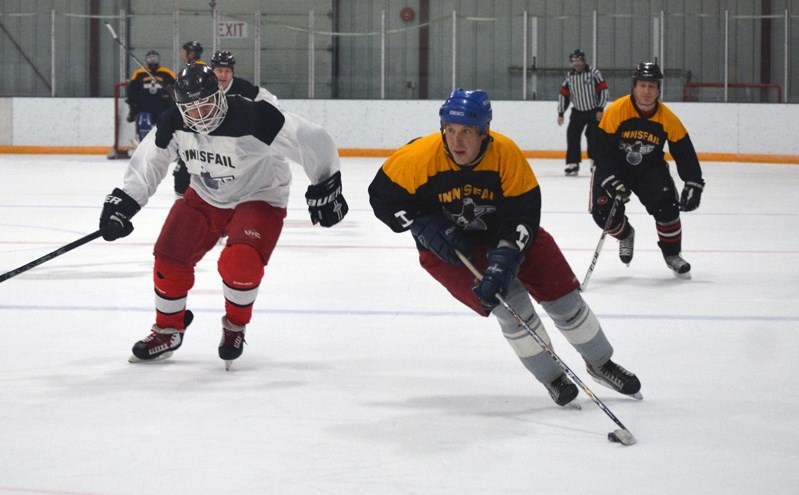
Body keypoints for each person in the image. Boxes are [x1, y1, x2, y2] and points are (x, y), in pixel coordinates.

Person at [368, 88, 641, 407]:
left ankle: (601, 363)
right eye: (450, 130)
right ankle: (552, 377)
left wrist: (506, 258)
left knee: (565, 300)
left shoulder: (506, 154)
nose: (456, 141)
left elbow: (524, 214)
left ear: (484, 132)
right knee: (513, 310)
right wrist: (422, 223)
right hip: (451, 250)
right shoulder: (419, 157)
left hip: (506, 234)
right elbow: (382, 197)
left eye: (467, 132)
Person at [98, 63, 349, 369]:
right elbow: (151, 160)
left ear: (220, 95)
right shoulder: (174, 120)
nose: (199, 116)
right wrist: (124, 202)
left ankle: (235, 326)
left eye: (205, 106)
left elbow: (310, 138)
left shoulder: (255, 115)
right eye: (191, 109)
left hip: (260, 195)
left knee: (239, 262)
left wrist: (326, 184)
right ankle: (168, 330)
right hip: (205, 195)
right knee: (168, 259)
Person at [591, 62, 704, 279]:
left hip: (649, 169)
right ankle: (625, 234)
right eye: (642, 85)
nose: (646, 91)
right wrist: (610, 178)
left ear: (658, 89)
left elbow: (684, 151)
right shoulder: (616, 110)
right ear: (634, 87)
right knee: (602, 213)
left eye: (651, 86)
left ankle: (672, 254)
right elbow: (602, 151)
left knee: (667, 207)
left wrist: (693, 181)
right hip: (615, 168)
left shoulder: (667, 118)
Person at [557, 49, 608, 176]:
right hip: (578, 111)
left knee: (593, 137)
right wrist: (561, 112)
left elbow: (604, 90)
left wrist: (600, 109)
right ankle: (573, 163)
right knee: (572, 135)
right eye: (574, 61)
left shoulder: (594, 73)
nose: (576, 63)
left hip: (593, 111)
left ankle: (595, 161)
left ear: (584, 61)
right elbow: (564, 94)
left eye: (579, 60)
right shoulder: (570, 76)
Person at [173, 41, 206, 196]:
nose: (182, 54)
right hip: (200, 124)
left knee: (185, 168)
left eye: (183, 51)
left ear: (188, 53)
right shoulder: (206, 69)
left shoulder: (192, 71)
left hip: (196, 125)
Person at [125, 50, 176, 143]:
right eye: (150, 58)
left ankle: (163, 146)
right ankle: (144, 144)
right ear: (146, 60)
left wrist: (172, 104)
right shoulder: (139, 73)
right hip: (144, 108)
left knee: (164, 128)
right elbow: (132, 91)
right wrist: (132, 108)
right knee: (144, 125)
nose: (152, 60)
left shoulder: (167, 73)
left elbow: (175, 89)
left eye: (154, 58)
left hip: (162, 108)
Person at [210, 50, 279, 107]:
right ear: (212, 71)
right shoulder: (205, 86)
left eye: (227, 71)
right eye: (219, 71)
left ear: (232, 73)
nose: (223, 75)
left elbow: (270, 102)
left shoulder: (243, 87)